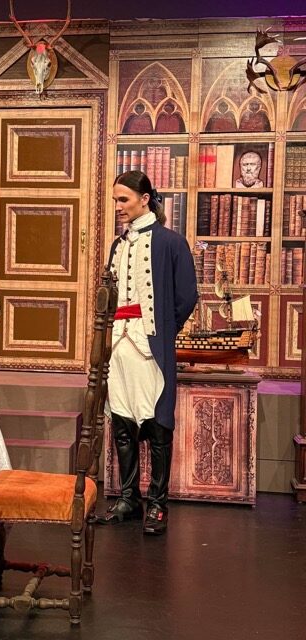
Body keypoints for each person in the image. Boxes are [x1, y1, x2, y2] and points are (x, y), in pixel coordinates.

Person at [96, 171, 197, 535]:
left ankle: (157, 503)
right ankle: (129, 499)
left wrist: (164, 330)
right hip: (119, 343)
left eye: (123, 199)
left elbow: (187, 296)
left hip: (150, 344)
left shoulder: (171, 242)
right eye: (115, 200)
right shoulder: (118, 245)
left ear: (144, 198)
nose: (118, 207)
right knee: (123, 423)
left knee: (157, 424)